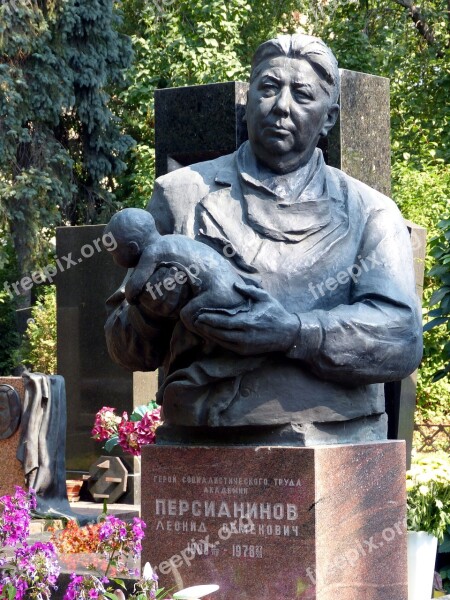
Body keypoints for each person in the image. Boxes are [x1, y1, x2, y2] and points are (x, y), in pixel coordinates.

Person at [105, 33, 422, 445]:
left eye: (303, 94)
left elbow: (400, 336)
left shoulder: (371, 212)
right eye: (268, 88)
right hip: (202, 438)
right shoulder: (181, 194)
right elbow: (123, 345)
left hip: (335, 437)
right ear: (248, 99)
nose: (282, 107)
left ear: (329, 117)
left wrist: (295, 333)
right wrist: (150, 311)